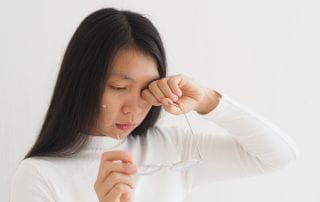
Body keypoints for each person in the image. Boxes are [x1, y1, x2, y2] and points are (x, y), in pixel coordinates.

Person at [10, 8, 299, 202]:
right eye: (120, 88)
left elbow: (278, 155)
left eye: (147, 89)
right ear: (83, 82)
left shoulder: (170, 150)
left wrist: (208, 101)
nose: (135, 108)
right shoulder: (39, 175)